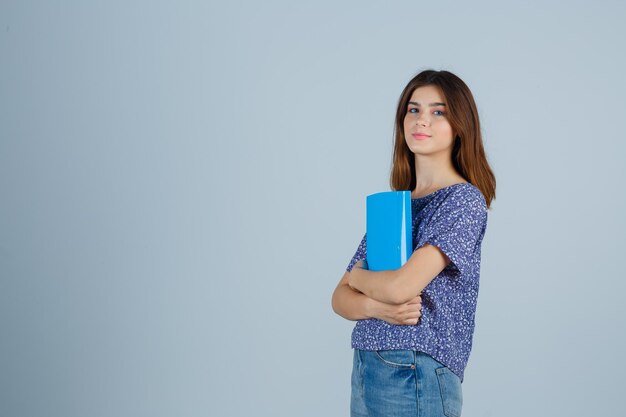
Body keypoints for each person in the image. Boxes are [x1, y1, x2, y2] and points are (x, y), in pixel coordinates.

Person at [331, 69, 496, 417]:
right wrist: (376, 308)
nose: (422, 120)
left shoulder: (462, 201)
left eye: (439, 111)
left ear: (460, 126)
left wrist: (360, 279)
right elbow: (339, 299)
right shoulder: (396, 205)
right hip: (367, 366)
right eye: (413, 109)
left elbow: (401, 286)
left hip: (413, 369)